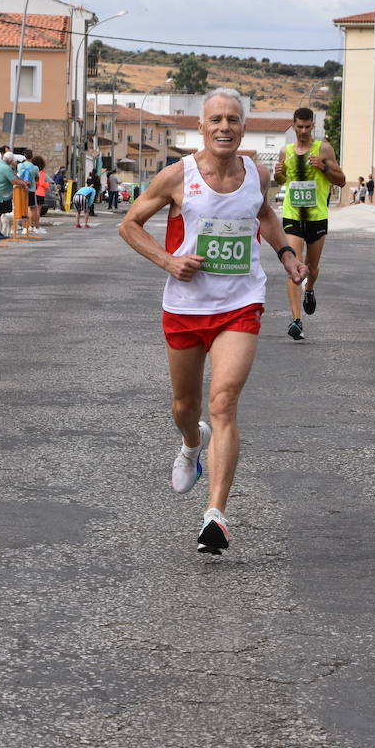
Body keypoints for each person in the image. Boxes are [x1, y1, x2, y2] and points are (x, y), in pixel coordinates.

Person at [118, 88, 307, 555]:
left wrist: (285, 253)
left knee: (223, 403)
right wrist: (167, 261)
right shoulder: (177, 176)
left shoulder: (256, 175)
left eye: (233, 119)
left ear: (243, 127)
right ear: (201, 128)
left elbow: (263, 214)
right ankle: (190, 442)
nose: (225, 126)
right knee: (186, 407)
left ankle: (215, 517)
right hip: (185, 307)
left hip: (240, 304)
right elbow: (129, 224)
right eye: (216, 119)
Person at [273, 106, 344, 341]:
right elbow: (281, 179)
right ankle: (296, 321)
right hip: (293, 215)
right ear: (293, 126)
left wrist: (323, 167)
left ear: (313, 126)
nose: (303, 131)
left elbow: (341, 181)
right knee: (294, 267)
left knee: (311, 269)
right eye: (299, 127)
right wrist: (278, 173)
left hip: (316, 217)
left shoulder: (323, 148)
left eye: (307, 126)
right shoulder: (286, 151)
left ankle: (310, 290)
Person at [0, 151, 16, 240]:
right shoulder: (6, 168)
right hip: (0, 194)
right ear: (10, 161)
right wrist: (24, 184)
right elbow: (14, 181)